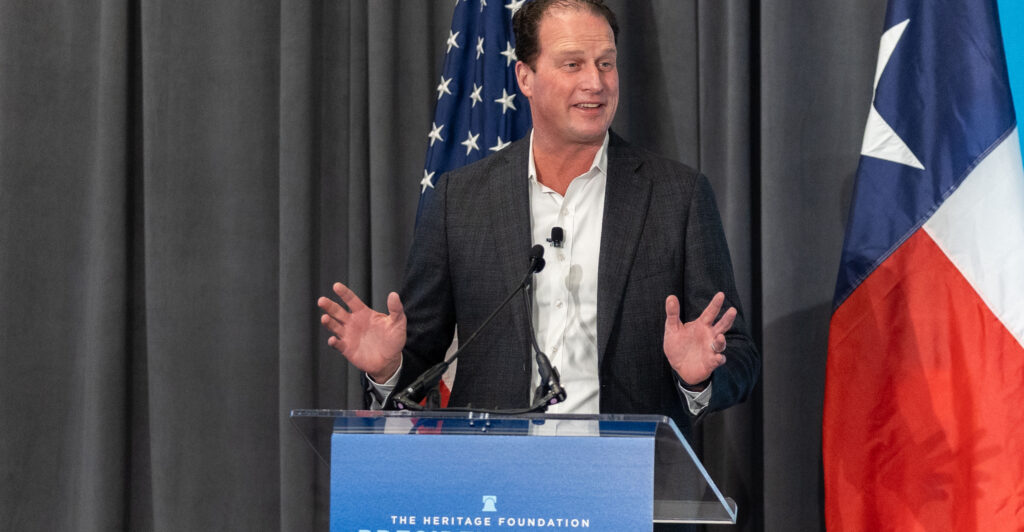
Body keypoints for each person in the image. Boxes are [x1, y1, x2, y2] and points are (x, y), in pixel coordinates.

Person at [317, 0, 759, 433]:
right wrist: (389, 367)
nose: (596, 82)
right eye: (573, 64)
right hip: (497, 484)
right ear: (525, 77)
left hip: (627, 480)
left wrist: (699, 377)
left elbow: (736, 354)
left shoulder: (676, 197)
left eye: (606, 63)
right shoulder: (461, 200)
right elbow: (422, 353)